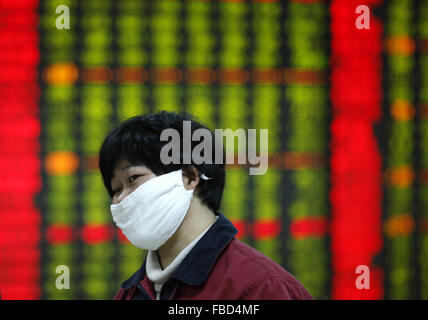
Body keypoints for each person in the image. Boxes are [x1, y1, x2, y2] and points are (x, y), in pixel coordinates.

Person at [98, 111, 314, 300]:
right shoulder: (130, 293)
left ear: (189, 178)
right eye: (116, 189)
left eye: (133, 178)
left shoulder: (262, 288)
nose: (121, 200)